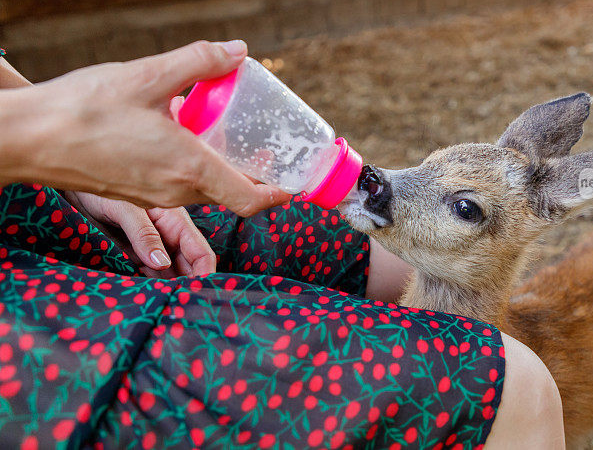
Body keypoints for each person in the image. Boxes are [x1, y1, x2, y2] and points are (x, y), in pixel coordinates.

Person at [0, 42, 564, 449]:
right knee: (516, 387)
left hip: (33, 200)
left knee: (386, 251)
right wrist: (46, 138)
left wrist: (71, 167)